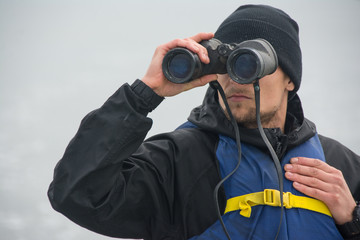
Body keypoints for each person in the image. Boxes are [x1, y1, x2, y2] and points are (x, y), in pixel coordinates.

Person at [48, 4, 360, 240]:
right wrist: (145, 93)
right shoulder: (178, 161)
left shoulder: (339, 166)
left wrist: (355, 219)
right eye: (227, 64)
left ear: (290, 79)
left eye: (249, 64)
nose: (235, 80)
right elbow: (76, 194)